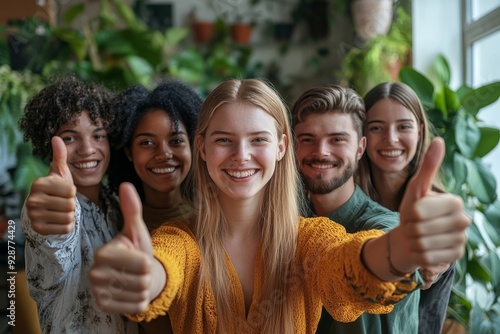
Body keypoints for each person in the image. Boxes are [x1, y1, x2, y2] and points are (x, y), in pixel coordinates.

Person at [88, 78, 470, 333]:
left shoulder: (311, 237)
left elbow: (345, 267)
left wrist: (398, 250)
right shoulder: (178, 238)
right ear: (201, 147)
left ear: (281, 147)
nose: (241, 156)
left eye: (258, 139)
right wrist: (144, 278)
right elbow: (163, 267)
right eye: (224, 140)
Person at [291, 85, 420, 334]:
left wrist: (401, 253)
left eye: (337, 139)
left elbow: (387, 249)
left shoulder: (384, 223)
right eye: (307, 139)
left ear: (360, 148)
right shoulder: (287, 221)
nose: (321, 152)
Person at [18, 76, 138, 333]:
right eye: (70, 138)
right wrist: (49, 215)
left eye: (98, 135)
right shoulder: (54, 203)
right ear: (48, 143)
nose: (87, 148)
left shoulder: (117, 205)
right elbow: (53, 238)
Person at [357, 81, 457, 334]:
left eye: (404, 126)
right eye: (377, 127)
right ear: (361, 136)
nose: (391, 139)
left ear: (420, 132)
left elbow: (430, 313)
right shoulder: (347, 203)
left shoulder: (437, 209)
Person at [108, 80, 202, 334]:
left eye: (176, 141)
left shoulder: (215, 218)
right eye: (147, 143)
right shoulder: (115, 226)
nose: (164, 154)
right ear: (128, 152)